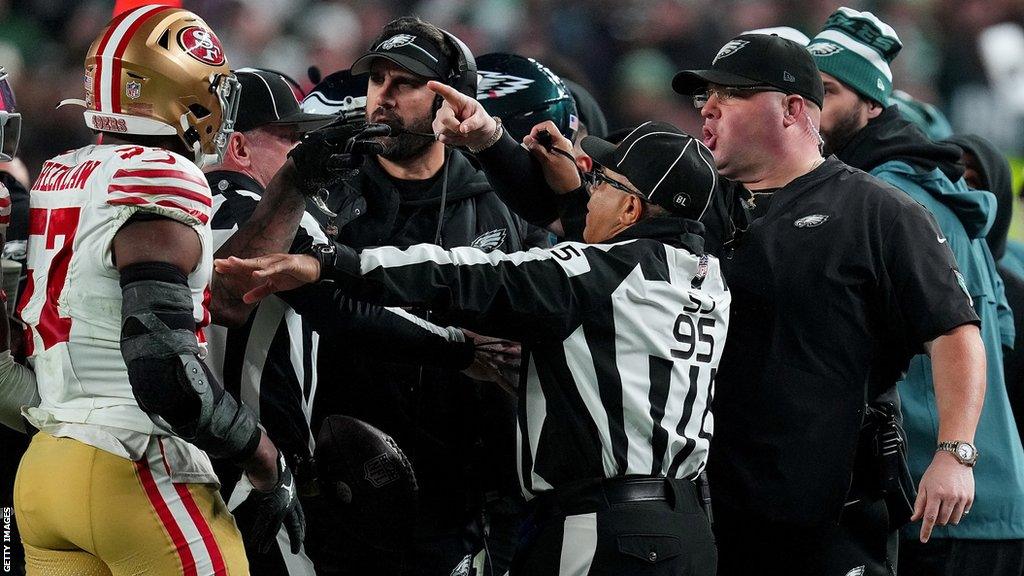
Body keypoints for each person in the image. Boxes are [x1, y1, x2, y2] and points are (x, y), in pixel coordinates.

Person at [216, 118, 726, 576]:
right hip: (690, 527)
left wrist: (333, 263)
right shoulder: (709, 280)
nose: (587, 194)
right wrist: (500, 147)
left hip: (606, 529)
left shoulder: (595, 274)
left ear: (632, 207)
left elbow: (462, 274)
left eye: (602, 184)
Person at [671, 31, 985, 576]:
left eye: (731, 94)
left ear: (793, 109)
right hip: (710, 509)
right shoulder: (695, 206)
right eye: (706, 96)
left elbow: (956, 333)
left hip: (830, 515)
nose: (710, 109)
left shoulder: (880, 213)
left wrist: (954, 453)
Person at [11, 7, 304, 574]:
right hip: (132, 464)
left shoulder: (62, 170)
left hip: (47, 466)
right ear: (181, 91)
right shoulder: (160, 175)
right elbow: (166, 372)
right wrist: (264, 457)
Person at [205, 67, 492, 576]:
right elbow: (339, 304)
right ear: (241, 149)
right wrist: (459, 347)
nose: (304, 153)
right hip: (243, 467)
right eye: (292, 139)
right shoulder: (244, 205)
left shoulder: (175, 205)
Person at [298, 17, 548, 574]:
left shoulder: (501, 199)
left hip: (467, 487)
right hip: (347, 478)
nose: (380, 99)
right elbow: (325, 308)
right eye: (375, 81)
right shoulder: (329, 197)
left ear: (450, 98)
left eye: (403, 84)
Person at [808, 10, 1024, 574]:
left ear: (873, 102)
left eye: (826, 93)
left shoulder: (887, 200)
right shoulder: (932, 192)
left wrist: (952, 452)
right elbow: (997, 338)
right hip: (986, 498)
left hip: (939, 501)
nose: (807, 110)